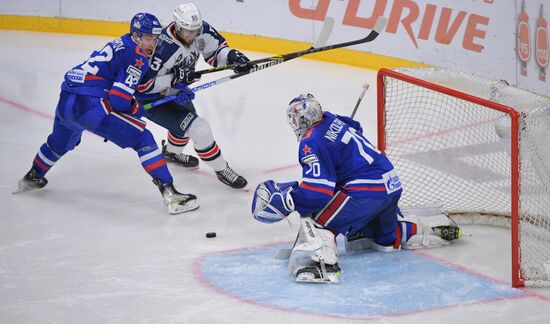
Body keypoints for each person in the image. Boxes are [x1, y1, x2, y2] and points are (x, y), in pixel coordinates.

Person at [251, 93, 461, 283]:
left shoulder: (310, 142)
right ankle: (426, 229)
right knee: (384, 239)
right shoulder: (332, 118)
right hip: (390, 184)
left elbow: (318, 192)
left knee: (318, 218)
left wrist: (290, 201)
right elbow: (356, 125)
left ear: (302, 119)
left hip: (365, 192)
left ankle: (319, 264)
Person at [14, 13, 199, 215]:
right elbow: (119, 100)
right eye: (148, 38)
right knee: (144, 138)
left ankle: (32, 176)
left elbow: (131, 85)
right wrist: (134, 109)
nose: (152, 44)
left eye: (155, 39)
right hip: (91, 105)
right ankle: (171, 195)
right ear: (136, 35)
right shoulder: (137, 57)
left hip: (67, 99)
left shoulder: (121, 43)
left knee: (59, 143)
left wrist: (171, 88)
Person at [136, 3, 248, 189]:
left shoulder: (200, 30)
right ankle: (222, 169)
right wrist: (174, 79)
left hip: (178, 91)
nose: (191, 35)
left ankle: (171, 153)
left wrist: (232, 57)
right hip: (154, 100)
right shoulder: (162, 47)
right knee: (200, 130)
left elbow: (215, 52)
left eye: (194, 30)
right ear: (177, 25)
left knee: (183, 129)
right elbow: (143, 85)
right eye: (187, 31)